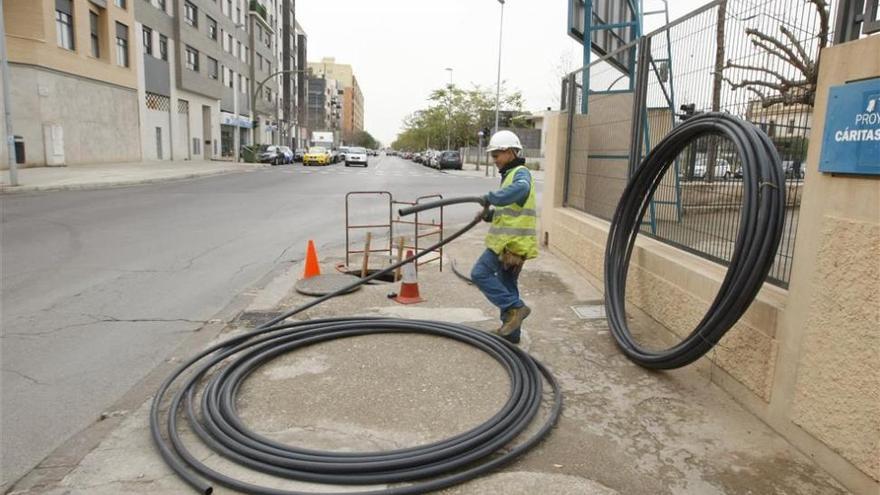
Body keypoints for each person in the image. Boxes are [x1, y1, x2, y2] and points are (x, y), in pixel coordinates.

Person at [470, 130, 538, 344]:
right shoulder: (510, 175)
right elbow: (512, 207)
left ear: (509, 152)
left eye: (496, 155)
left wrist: (492, 197)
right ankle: (512, 333)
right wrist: (490, 214)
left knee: (480, 274)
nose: (494, 160)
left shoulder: (520, 173)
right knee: (508, 285)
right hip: (514, 246)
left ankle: (515, 308)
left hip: (508, 245)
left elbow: (521, 190)